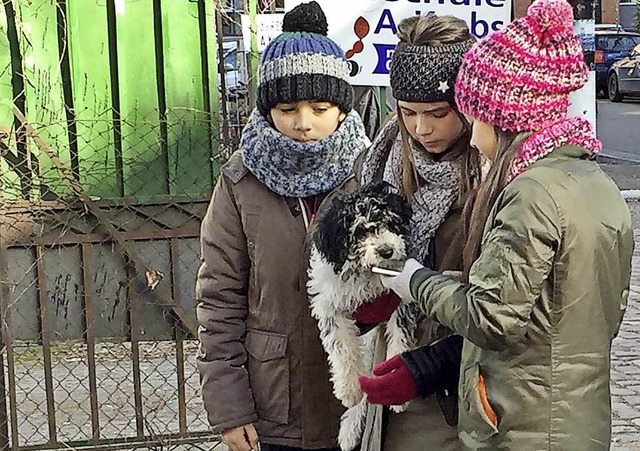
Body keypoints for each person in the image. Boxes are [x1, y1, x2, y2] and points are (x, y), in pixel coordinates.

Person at [376, 0, 634, 449]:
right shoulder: (592, 180)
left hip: (527, 423)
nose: (474, 138)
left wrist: (414, 280)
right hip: (571, 414)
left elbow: (491, 318)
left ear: (509, 121)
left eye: (475, 119)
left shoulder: (531, 193)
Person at [195, 2, 370, 451]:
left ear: (341, 107)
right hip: (274, 409)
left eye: (320, 106)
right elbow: (219, 299)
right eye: (288, 107)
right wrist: (230, 409)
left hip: (362, 403)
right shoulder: (240, 181)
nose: (304, 123)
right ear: (268, 110)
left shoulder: (370, 172)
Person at [350, 13, 481, 451]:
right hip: (385, 378)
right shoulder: (380, 158)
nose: (422, 128)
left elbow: (505, 306)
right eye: (408, 112)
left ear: (467, 105)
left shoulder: (493, 174)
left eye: (438, 113)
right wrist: (360, 299)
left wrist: (430, 366)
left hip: (460, 394)